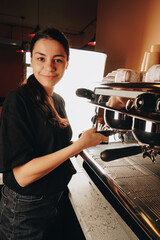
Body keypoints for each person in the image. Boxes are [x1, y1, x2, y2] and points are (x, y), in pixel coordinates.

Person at [0, 28, 107, 240]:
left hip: (52, 201)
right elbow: (22, 176)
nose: (49, 67)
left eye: (58, 59)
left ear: (67, 63)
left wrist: (75, 144)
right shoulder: (17, 101)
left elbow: (49, 145)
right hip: (24, 210)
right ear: (32, 59)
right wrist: (78, 146)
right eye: (41, 58)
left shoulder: (57, 100)